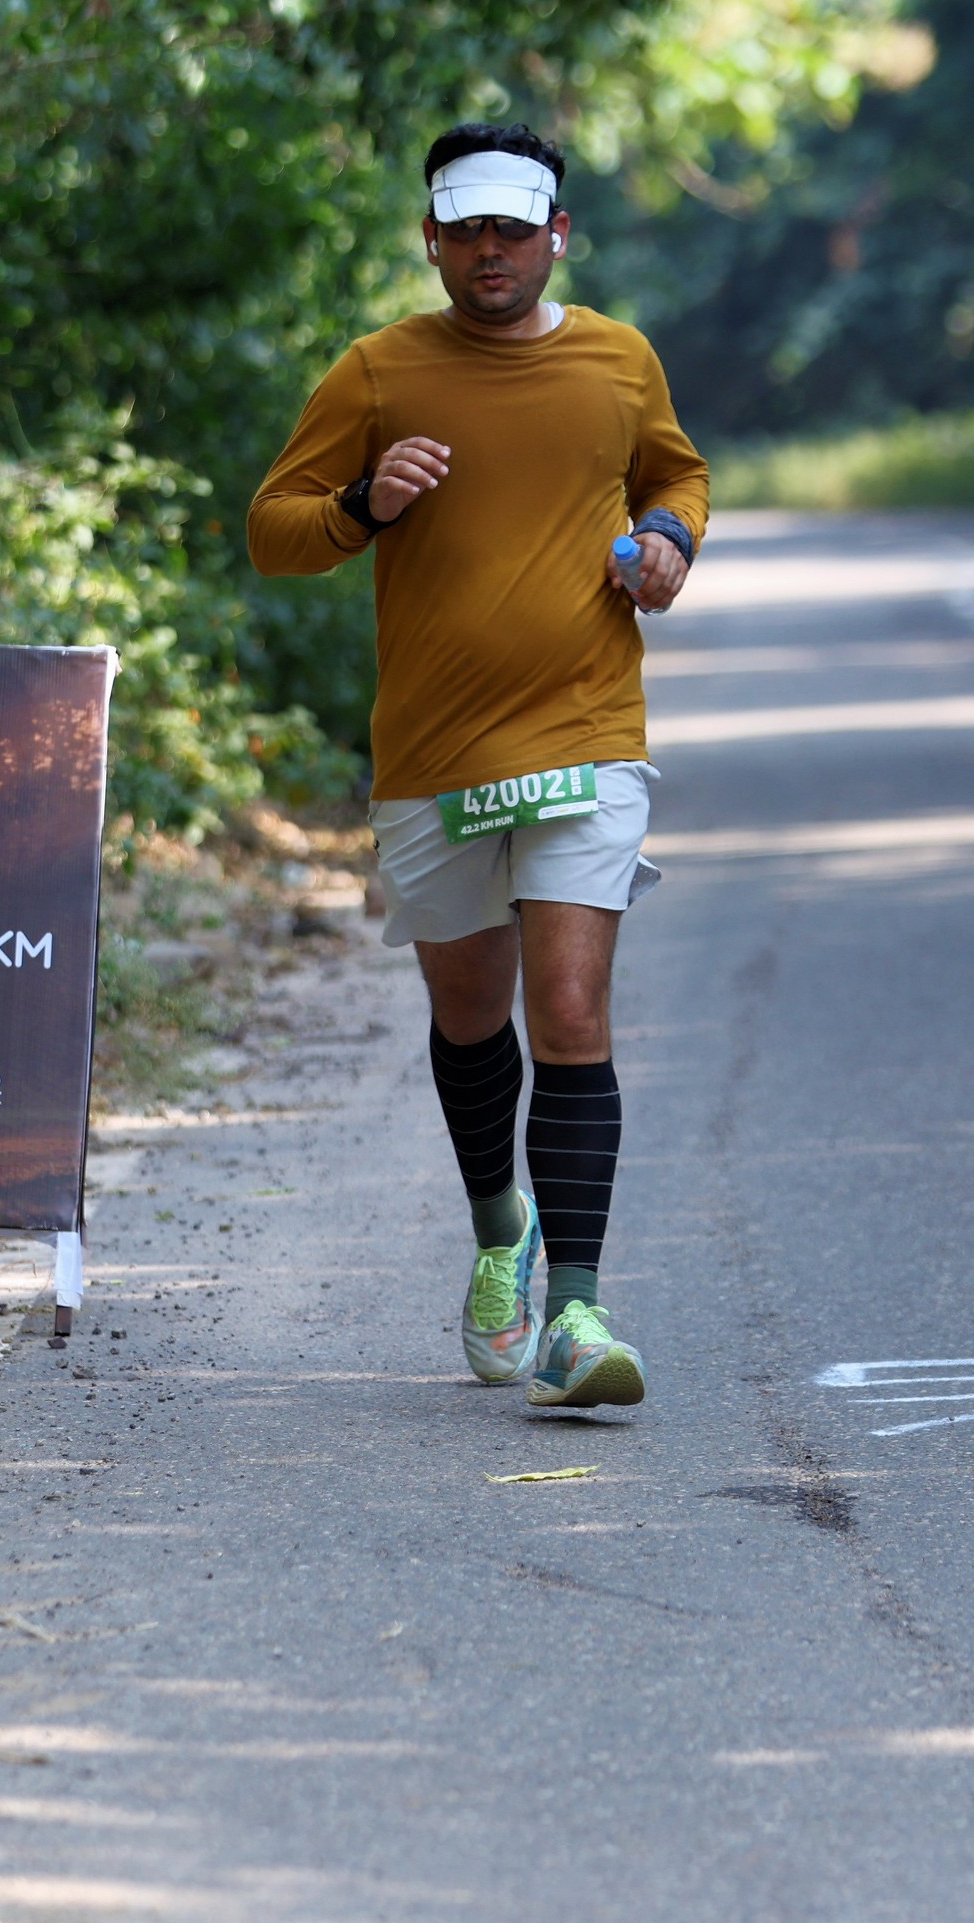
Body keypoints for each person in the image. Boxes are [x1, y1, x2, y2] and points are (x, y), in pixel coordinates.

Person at [248, 123, 708, 1411]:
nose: (490, 251)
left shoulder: (619, 359)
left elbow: (675, 475)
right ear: (432, 239)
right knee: (469, 1015)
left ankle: (577, 1311)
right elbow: (275, 533)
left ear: (558, 234)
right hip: (435, 752)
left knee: (569, 1009)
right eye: (467, 232)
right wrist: (366, 504)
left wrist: (667, 540)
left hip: (585, 735)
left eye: (514, 229)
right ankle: (502, 1228)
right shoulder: (378, 371)